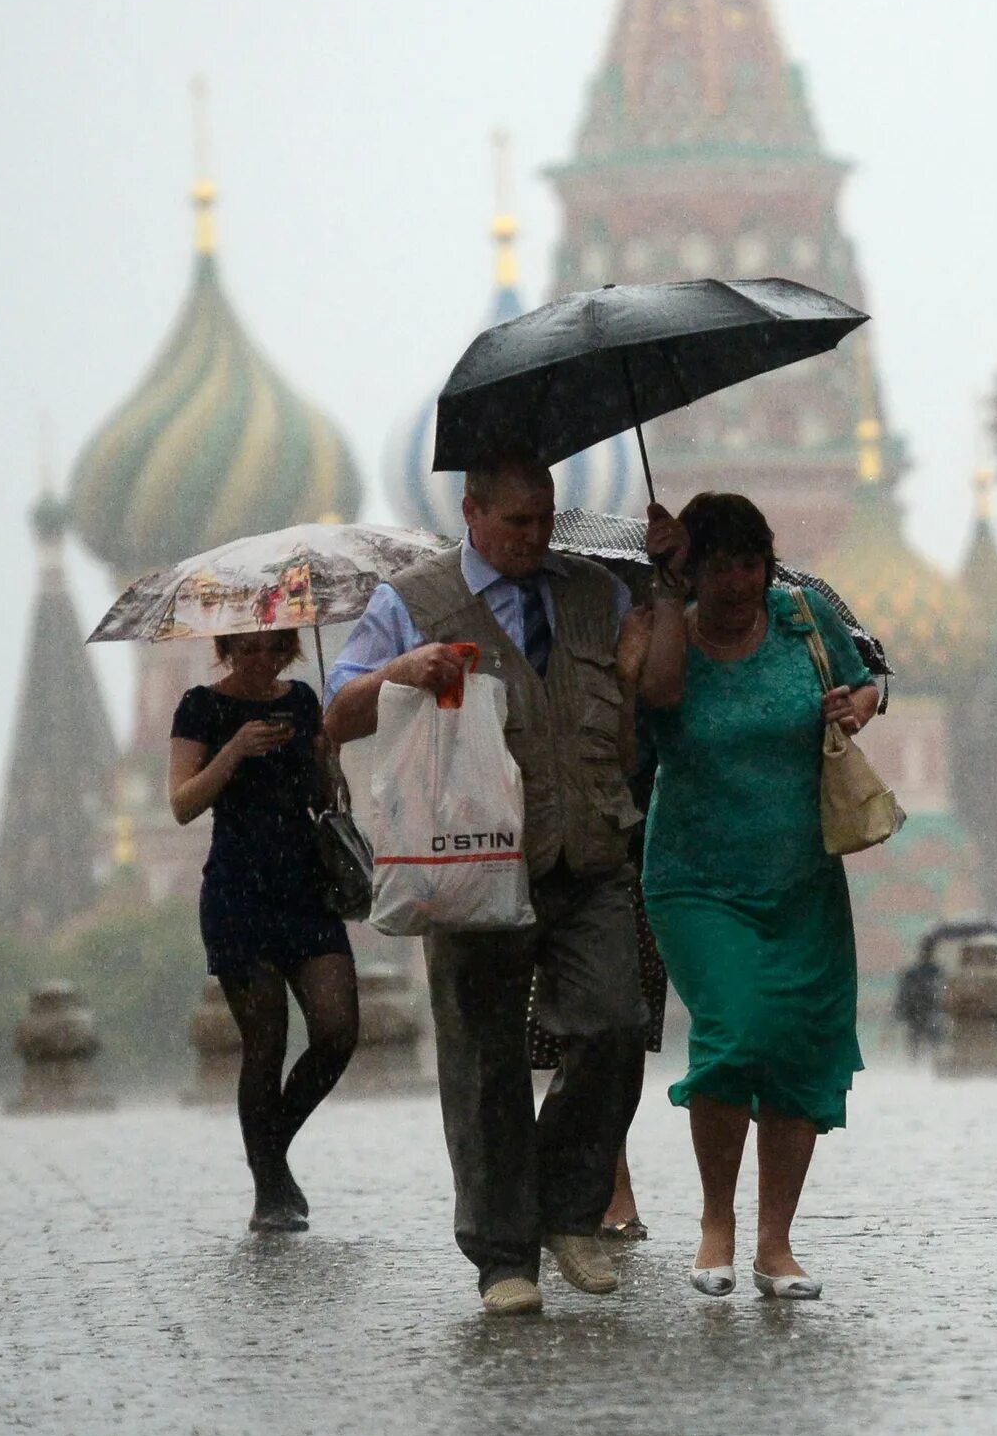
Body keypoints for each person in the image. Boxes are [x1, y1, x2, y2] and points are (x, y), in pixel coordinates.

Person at [325, 459, 645, 1318]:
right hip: (469, 861)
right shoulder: (410, 602)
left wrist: (671, 577)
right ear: (469, 511)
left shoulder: (594, 591)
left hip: (590, 852)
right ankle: (505, 1255)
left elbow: (644, 693)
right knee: (483, 1063)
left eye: (544, 518)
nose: (535, 537)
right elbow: (337, 709)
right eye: (515, 522)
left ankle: (569, 1209)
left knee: (617, 1022)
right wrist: (403, 672)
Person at [631, 490, 878, 1301]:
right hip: (698, 880)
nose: (737, 579)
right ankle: (716, 1225)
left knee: (800, 1050)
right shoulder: (664, 621)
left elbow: (869, 682)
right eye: (719, 562)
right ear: (691, 563)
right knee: (736, 1032)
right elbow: (659, 695)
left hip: (803, 877)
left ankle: (776, 1242)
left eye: (751, 560)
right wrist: (667, 592)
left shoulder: (804, 617)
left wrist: (861, 702)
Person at [168, 626, 356, 1233]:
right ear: (225, 648)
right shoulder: (202, 706)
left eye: (276, 649)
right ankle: (270, 1189)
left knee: (337, 1030)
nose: (263, 660)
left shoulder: (301, 701)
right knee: (266, 1043)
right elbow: (183, 802)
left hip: (304, 887)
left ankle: (270, 1154)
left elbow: (326, 798)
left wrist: (329, 759)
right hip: (237, 894)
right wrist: (235, 750)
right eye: (249, 648)